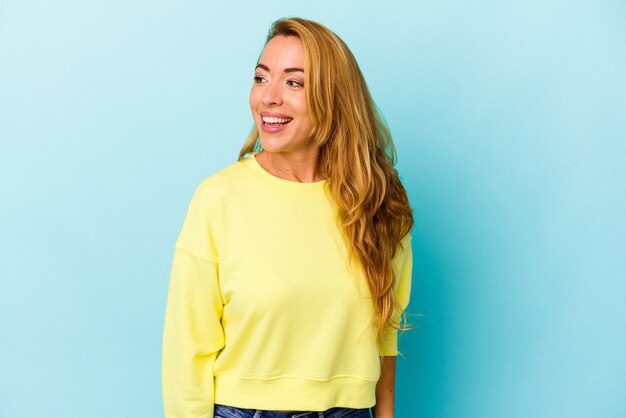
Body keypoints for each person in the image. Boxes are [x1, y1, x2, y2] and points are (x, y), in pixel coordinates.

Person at [162, 17, 414, 418]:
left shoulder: (375, 202)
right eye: (261, 78)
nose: (269, 97)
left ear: (334, 97)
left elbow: (384, 337)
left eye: (293, 82)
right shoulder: (219, 199)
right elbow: (186, 349)